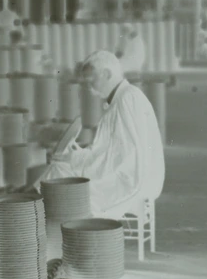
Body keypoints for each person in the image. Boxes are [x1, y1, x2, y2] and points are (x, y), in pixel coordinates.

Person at [50, 50, 165, 218]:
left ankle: (57, 233)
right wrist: (81, 155)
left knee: (67, 190)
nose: (88, 86)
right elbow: (113, 151)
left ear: (106, 74)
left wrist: (78, 159)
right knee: (61, 170)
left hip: (132, 182)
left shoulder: (127, 99)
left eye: (91, 79)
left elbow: (122, 157)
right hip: (126, 174)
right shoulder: (122, 98)